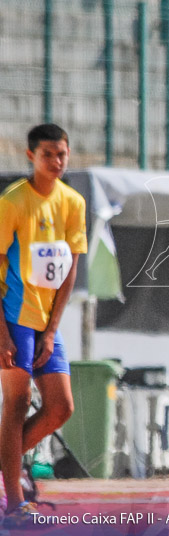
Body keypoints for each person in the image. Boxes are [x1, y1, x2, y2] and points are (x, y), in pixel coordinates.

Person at [0, 124, 85, 527]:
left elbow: (69, 269)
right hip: (13, 316)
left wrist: (52, 330)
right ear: (30, 156)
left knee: (60, 407)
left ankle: (6, 463)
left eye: (62, 154)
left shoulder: (72, 202)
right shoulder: (14, 201)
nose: (57, 161)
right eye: (48, 154)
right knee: (16, 404)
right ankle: (16, 502)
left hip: (45, 322)